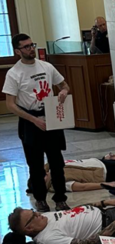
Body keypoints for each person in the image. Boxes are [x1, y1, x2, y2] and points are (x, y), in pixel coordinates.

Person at [3, 34, 71, 212]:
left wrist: (63, 91)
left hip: (50, 116)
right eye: (26, 47)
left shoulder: (46, 66)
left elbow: (64, 85)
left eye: (31, 45)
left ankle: (60, 198)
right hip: (30, 119)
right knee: (35, 165)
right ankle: (40, 199)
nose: (31, 49)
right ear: (17, 51)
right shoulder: (14, 73)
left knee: (57, 162)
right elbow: (10, 104)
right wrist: (33, 120)